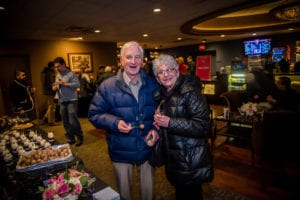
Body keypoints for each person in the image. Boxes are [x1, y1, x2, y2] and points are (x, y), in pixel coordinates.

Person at [88, 41, 159, 200]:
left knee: (149, 194)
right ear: (121, 61)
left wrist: (157, 130)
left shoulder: (154, 85)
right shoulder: (107, 86)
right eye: (128, 57)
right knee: (124, 194)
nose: (133, 62)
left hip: (148, 148)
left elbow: (161, 113)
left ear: (142, 61)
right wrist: (114, 123)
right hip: (121, 149)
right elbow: (94, 114)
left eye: (137, 57)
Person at [151, 54, 214, 200]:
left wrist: (170, 122)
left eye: (170, 69)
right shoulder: (164, 95)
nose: (166, 74)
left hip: (190, 161)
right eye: (161, 72)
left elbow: (203, 126)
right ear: (157, 78)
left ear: (177, 72)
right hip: (176, 159)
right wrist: (160, 125)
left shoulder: (190, 92)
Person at [52, 57, 84, 146]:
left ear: (64, 65)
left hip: (71, 100)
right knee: (65, 121)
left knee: (73, 121)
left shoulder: (71, 74)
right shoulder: (57, 75)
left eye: (58, 66)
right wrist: (54, 87)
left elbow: (77, 84)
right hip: (62, 100)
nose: (57, 68)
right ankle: (70, 138)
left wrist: (65, 84)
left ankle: (79, 138)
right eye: (55, 67)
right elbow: (55, 85)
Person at [41, 61, 58, 125]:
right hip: (51, 92)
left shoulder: (45, 72)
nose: (55, 68)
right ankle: (51, 122)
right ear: (51, 67)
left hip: (48, 92)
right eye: (54, 66)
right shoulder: (49, 73)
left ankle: (46, 118)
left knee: (50, 106)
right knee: (52, 107)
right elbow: (52, 84)